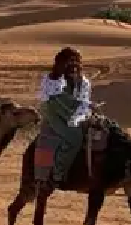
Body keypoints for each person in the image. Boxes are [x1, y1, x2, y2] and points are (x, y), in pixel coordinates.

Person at [34, 47, 93, 189]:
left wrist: (84, 110)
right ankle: (57, 174)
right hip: (54, 114)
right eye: (70, 60)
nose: (74, 64)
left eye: (77, 61)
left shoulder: (83, 82)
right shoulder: (52, 80)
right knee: (74, 137)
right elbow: (49, 98)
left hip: (76, 114)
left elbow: (84, 101)